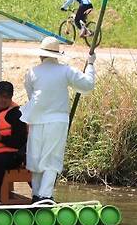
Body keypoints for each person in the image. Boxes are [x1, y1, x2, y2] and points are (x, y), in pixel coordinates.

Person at [21, 36, 96, 202]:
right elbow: (87, 85)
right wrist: (90, 64)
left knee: (36, 157)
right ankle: (45, 196)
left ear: (41, 54)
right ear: (56, 55)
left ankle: (36, 196)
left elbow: (31, 95)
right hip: (57, 120)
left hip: (36, 117)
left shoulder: (32, 72)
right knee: (52, 158)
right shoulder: (65, 70)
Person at [0, 81, 27, 204]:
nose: (4, 100)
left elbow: (20, 140)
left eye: (8, 97)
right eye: (1, 95)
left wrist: (3, 139)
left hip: (11, 154)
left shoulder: (16, 113)